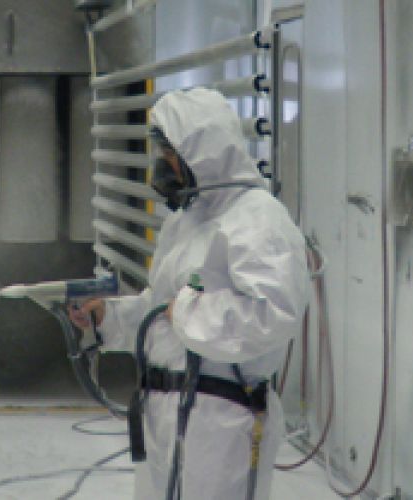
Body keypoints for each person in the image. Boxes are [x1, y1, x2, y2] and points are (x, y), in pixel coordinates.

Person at [70, 88, 310, 500]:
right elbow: (159, 310)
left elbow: (272, 314)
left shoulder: (257, 220)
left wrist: (185, 308)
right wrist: (108, 319)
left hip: (222, 420)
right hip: (166, 412)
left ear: (201, 153)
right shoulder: (186, 222)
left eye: (169, 157)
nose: (162, 168)